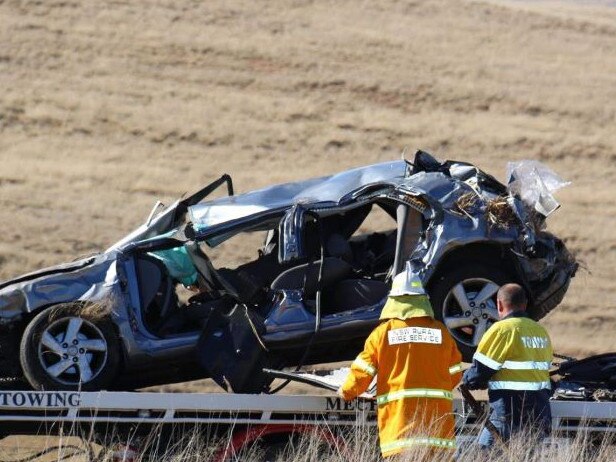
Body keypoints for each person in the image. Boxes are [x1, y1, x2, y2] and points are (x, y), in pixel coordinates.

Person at [338, 265, 463, 459]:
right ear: (423, 301)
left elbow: (362, 372)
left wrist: (346, 392)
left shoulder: (383, 333)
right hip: (439, 434)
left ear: (394, 301)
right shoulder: (442, 333)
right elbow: (455, 373)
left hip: (400, 433)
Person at [462, 283, 553, 448]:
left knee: (482, 456)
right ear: (524, 305)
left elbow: (479, 373)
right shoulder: (540, 331)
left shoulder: (502, 330)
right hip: (540, 412)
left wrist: (467, 378)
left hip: (509, 413)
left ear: (499, 304)